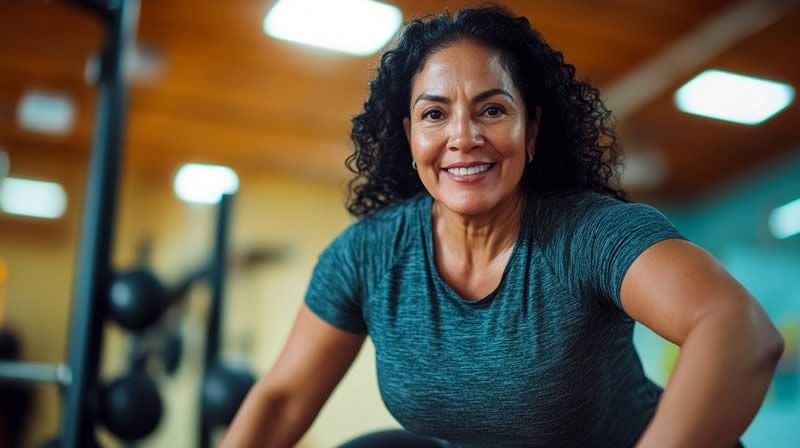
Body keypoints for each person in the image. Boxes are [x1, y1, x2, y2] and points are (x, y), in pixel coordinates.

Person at [222, 5, 783, 448]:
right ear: (410, 136)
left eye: (492, 109)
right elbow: (283, 398)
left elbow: (739, 329)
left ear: (531, 130)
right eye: (435, 114)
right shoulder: (370, 254)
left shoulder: (590, 235)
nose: (463, 137)